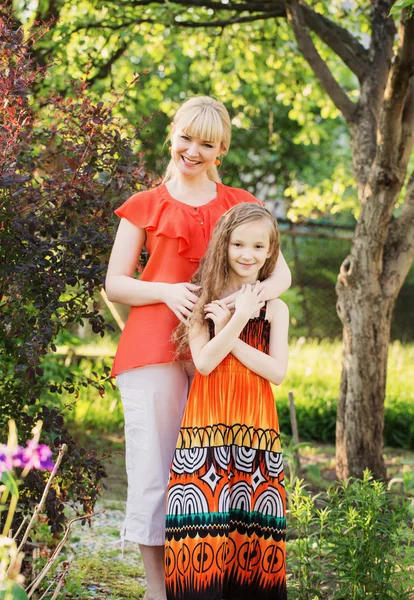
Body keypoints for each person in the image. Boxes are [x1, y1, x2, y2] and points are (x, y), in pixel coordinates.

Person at [105, 96, 291, 600]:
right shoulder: (144, 205)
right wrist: (166, 291)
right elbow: (115, 284)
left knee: (210, 473)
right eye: (186, 137)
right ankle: (156, 590)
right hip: (153, 350)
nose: (192, 150)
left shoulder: (238, 202)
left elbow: (282, 273)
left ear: (221, 149)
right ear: (174, 135)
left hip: (223, 353)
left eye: (206, 143)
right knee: (154, 470)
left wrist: (244, 305)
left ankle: (205, 583)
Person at [165, 203, 289, 600]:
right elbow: (203, 362)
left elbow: (276, 371)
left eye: (257, 246)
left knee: (250, 531)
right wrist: (236, 318)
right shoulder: (202, 301)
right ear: (224, 244)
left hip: (255, 426)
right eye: (238, 244)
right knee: (202, 526)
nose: (247, 254)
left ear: (271, 251)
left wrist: (231, 331)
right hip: (208, 427)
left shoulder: (277, 309)